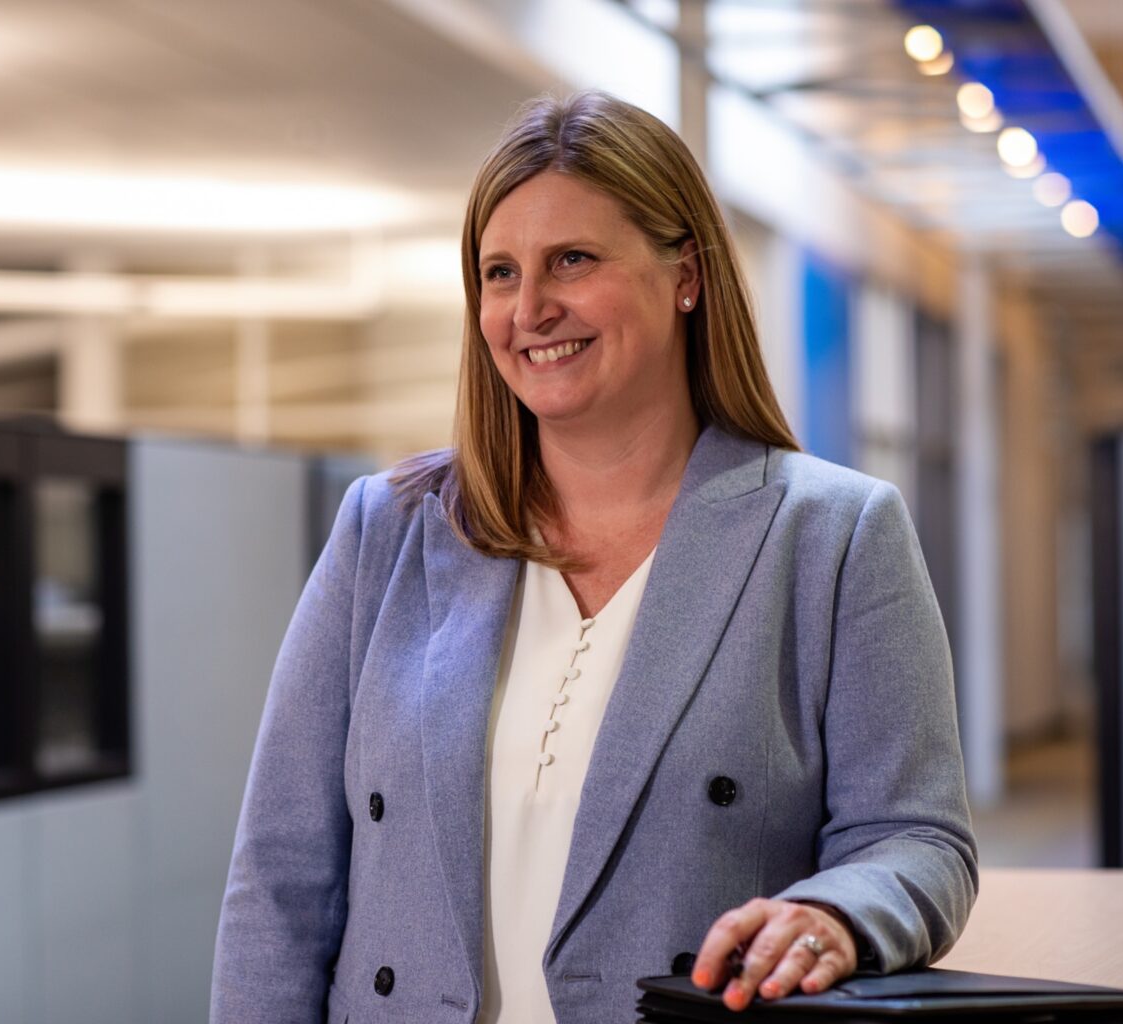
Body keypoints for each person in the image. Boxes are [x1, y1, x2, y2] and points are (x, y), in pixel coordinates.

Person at [210, 91, 976, 1024]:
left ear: (686, 272)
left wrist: (834, 914)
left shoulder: (834, 536)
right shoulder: (390, 529)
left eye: (572, 259)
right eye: (498, 272)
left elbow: (917, 838)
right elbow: (281, 877)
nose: (529, 309)